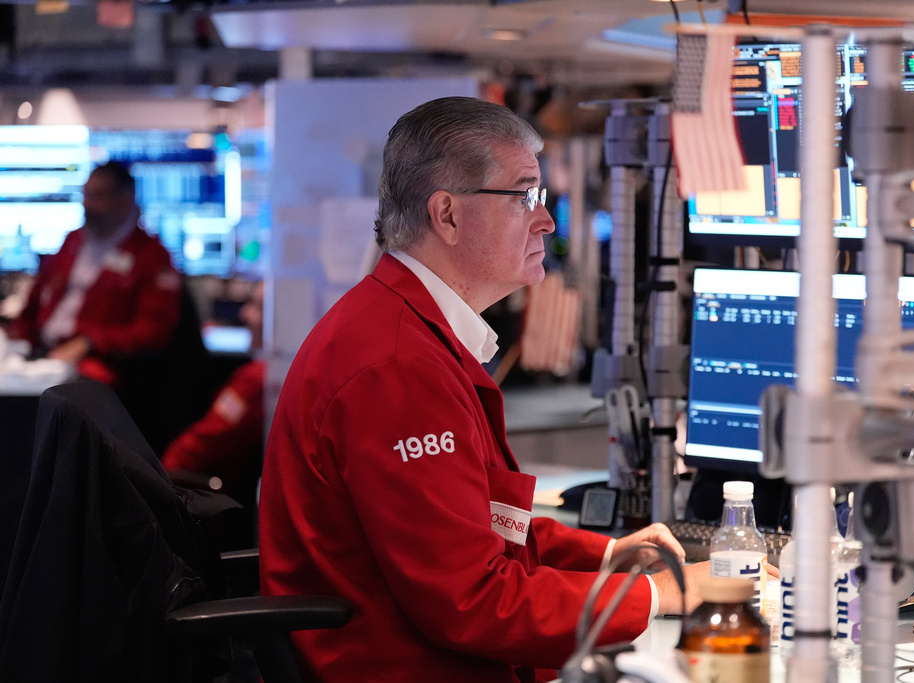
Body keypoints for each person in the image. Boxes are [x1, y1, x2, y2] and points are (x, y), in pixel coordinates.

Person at [259, 96, 695, 683]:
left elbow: (475, 526)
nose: (545, 220)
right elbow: (474, 602)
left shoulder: (402, 331)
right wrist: (659, 597)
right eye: (525, 197)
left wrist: (608, 555)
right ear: (448, 215)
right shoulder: (396, 368)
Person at [10, 161, 182, 389]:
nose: (87, 205)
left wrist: (91, 342)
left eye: (97, 196)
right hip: (41, 354)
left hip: (97, 365)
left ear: (125, 200)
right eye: (85, 195)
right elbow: (32, 306)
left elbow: (153, 332)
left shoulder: (151, 256)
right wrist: (18, 338)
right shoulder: (73, 241)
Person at [162, 281, 266, 548]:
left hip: (218, 510)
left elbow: (202, 444)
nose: (245, 314)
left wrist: (159, 477)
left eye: (258, 308)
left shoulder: (256, 382)